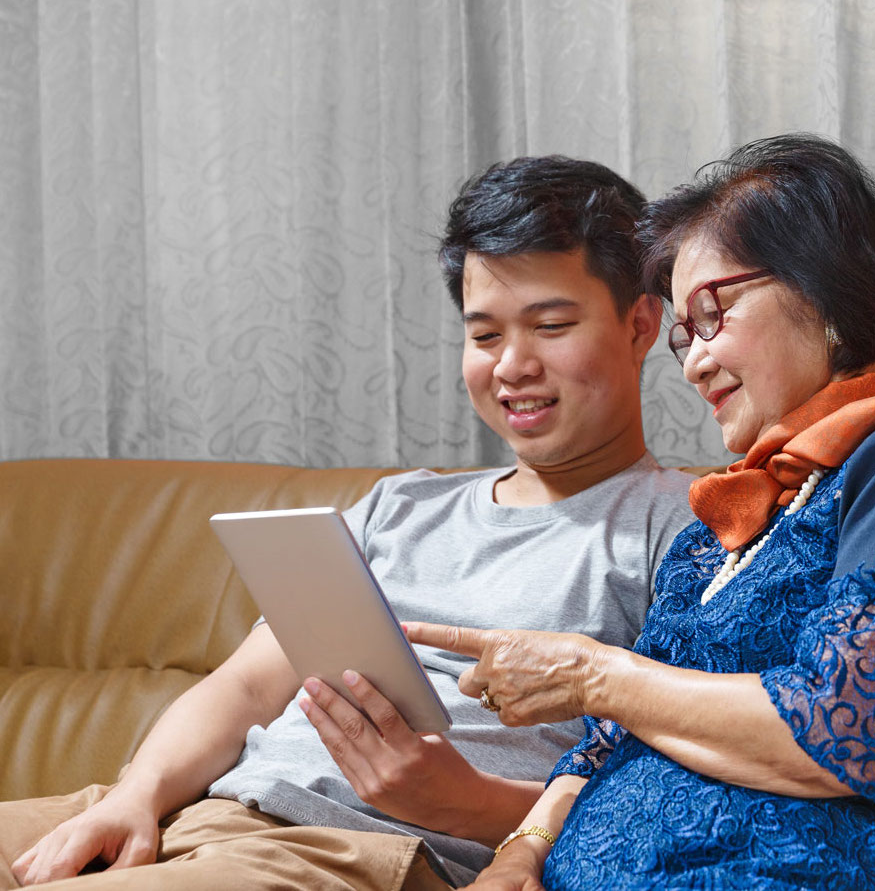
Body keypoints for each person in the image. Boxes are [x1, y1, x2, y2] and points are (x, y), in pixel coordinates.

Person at [408, 134, 875, 890]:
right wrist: (522, 851)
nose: (694, 361)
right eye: (681, 333)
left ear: (828, 291)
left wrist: (593, 672)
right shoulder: (722, 525)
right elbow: (603, 744)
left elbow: (845, 727)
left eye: (714, 313)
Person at [0, 155, 697, 890]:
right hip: (198, 815)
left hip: (346, 854)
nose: (512, 365)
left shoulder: (680, 526)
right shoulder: (401, 507)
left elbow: (694, 786)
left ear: (640, 325)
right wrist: (135, 798)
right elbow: (243, 689)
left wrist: (472, 806)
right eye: (485, 336)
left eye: (551, 325)